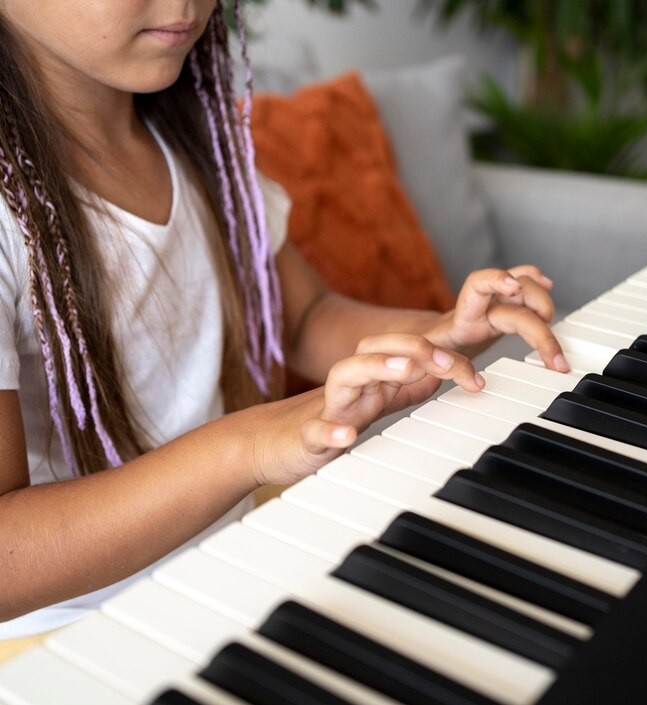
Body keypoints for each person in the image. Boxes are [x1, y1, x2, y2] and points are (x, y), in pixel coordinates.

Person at [0, 0, 568, 639]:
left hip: (228, 568)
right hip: (70, 637)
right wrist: (251, 443)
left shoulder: (199, 143)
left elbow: (304, 319)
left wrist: (437, 334)